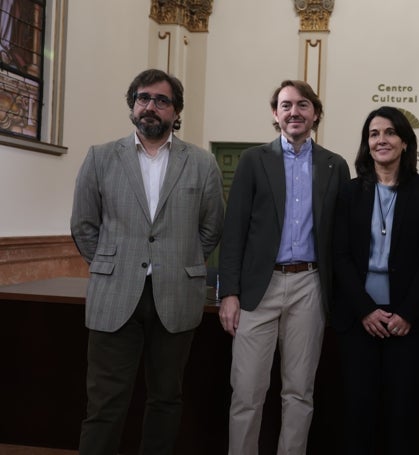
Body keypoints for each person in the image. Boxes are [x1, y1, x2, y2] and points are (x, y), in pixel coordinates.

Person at [71, 68, 224, 455]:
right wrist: (112, 264)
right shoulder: (101, 157)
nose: (150, 106)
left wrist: (180, 261)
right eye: (143, 98)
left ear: (176, 111)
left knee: (166, 399)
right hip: (114, 294)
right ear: (132, 105)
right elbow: (84, 225)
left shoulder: (202, 163)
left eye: (161, 100)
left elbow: (212, 227)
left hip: (175, 295)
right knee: (104, 404)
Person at [218, 79, 350, 455]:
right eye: (286, 105)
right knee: (247, 392)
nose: (295, 112)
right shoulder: (253, 160)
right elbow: (234, 230)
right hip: (259, 289)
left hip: (310, 285)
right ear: (276, 115)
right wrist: (229, 292)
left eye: (303, 105)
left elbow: (340, 238)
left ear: (316, 114)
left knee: (299, 392)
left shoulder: (334, 165)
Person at [331, 106, 419, 454]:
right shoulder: (350, 192)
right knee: (358, 410)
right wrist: (365, 310)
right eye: (374, 134)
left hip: (407, 320)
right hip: (358, 318)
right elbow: (341, 255)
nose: (382, 140)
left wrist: (407, 313)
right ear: (367, 145)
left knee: (404, 411)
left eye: (390, 132)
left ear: (405, 142)